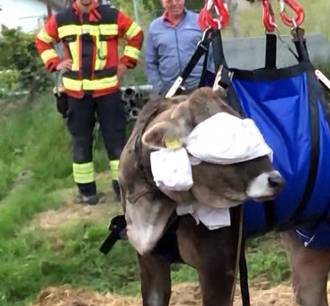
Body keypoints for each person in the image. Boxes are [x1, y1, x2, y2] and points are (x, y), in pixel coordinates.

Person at [34, 0, 143, 205]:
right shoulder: (62, 19)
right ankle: (86, 193)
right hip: (76, 93)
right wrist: (55, 63)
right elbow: (42, 40)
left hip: (107, 91)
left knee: (116, 141)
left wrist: (125, 64)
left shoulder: (111, 15)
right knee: (81, 141)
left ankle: (121, 189)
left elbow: (136, 34)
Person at [143, 0, 206, 97]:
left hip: (199, 89)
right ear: (162, 2)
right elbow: (150, 62)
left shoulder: (199, 21)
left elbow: (211, 56)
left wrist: (208, 83)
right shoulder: (154, 28)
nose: (174, 3)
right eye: (169, 1)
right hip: (169, 93)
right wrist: (160, 88)